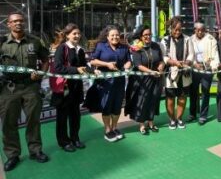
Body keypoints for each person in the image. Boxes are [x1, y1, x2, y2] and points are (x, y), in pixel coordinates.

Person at [0, 12, 50, 172]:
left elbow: (45, 60)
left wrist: (40, 74)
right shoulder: (1, 42)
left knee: (33, 121)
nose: (18, 23)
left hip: (31, 87)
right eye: (14, 21)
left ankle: (35, 151)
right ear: (8, 24)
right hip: (9, 88)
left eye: (21, 20)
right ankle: (12, 155)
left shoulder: (35, 41)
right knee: (9, 123)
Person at [52, 23, 92, 151]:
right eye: (74, 33)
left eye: (78, 33)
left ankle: (75, 138)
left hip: (76, 88)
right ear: (67, 35)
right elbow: (58, 68)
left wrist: (93, 71)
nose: (77, 36)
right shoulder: (62, 48)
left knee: (76, 116)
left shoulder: (80, 49)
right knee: (62, 117)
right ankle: (64, 142)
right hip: (64, 89)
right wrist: (76, 69)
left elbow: (84, 66)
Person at [90, 25, 131, 142]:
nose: (115, 37)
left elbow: (129, 60)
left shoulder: (124, 47)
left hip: (119, 81)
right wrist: (106, 64)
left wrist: (127, 66)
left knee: (117, 106)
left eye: (117, 35)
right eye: (112, 35)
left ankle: (115, 127)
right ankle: (108, 130)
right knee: (107, 106)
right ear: (107, 37)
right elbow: (93, 60)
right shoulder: (101, 46)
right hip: (105, 83)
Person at [127, 25, 165, 135]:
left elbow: (161, 60)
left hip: (156, 78)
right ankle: (142, 125)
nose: (148, 37)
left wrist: (161, 66)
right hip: (142, 79)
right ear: (140, 36)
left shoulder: (156, 46)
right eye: (145, 35)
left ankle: (151, 123)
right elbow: (138, 65)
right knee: (142, 101)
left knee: (153, 100)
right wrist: (151, 72)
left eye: (149, 34)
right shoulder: (136, 47)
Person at [161, 16, 195, 130]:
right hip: (170, 74)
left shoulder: (187, 39)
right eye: (175, 29)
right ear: (171, 28)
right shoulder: (165, 40)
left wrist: (188, 62)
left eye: (179, 29)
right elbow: (164, 57)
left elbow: (191, 54)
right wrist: (174, 62)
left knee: (182, 97)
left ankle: (179, 118)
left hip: (184, 73)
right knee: (170, 98)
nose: (177, 32)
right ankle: (172, 119)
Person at [189, 20, 219, 125]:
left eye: (202, 30)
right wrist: (194, 64)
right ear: (194, 30)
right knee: (193, 92)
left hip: (207, 69)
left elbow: (215, 55)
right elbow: (188, 54)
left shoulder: (211, 39)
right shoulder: (190, 39)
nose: (200, 32)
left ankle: (203, 116)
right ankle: (192, 114)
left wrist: (213, 66)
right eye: (198, 30)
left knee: (205, 92)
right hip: (195, 68)